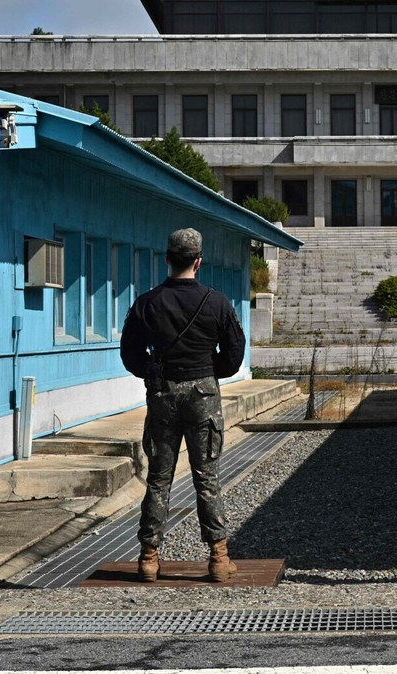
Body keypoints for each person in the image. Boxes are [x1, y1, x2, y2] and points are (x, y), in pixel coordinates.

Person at [120, 227, 246, 583]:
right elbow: (234, 355)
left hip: (162, 394)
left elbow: (129, 353)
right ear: (199, 261)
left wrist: (153, 373)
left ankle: (148, 557)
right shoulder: (217, 302)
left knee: (159, 477)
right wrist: (206, 372)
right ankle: (219, 558)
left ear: (167, 259)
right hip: (203, 394)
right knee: (207, 477)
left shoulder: (147, 303)